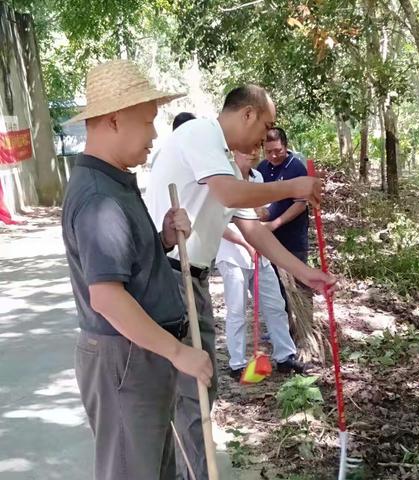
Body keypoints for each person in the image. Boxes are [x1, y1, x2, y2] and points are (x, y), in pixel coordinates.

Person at [145, 84, 336, 480]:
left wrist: (305, 274)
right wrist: (294, 186)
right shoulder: (200, 134)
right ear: (247, 114)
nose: (264, 138)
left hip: (191, 279)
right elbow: (229, 192)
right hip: (169, 274)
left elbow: (255, 230)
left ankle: (192, 471)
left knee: (199, 390)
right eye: (265, 126)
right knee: (191, 392)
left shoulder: (226, 164)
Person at [61, 59, 213, 480]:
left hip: (139, 355)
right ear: (114, 120)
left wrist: (162, 239)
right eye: (146, 122)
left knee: (152, 468)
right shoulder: (98, 197)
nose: (152, 135)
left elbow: (127, 266)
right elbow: (107, 297)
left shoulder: (114, 182)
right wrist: (178, 352)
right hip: (124, 361)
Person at [216, 149, 305, 380]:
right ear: (234, 151)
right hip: (233, 254)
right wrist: (246, 243)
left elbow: (261, 214)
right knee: (237, 310)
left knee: (275, 304)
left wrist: (263, 214)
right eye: (247, 149)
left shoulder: (257, 178)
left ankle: (285, 356)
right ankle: (237, 363)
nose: (252, 153)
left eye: (256, 148)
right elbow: (218, 223)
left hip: (260, 254)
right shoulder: (224, 179)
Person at [257, 127, 312, 317]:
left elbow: (300, 204)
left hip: (293, 238)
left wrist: (275, 223)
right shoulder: (261, 168)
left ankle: (305, 327)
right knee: (276, 286)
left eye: (278, 151)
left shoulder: (296, 168)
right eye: (269, 151)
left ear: (286, 147)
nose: (273, 156)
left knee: (299, 282)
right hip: (270, 241)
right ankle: (284, 327)